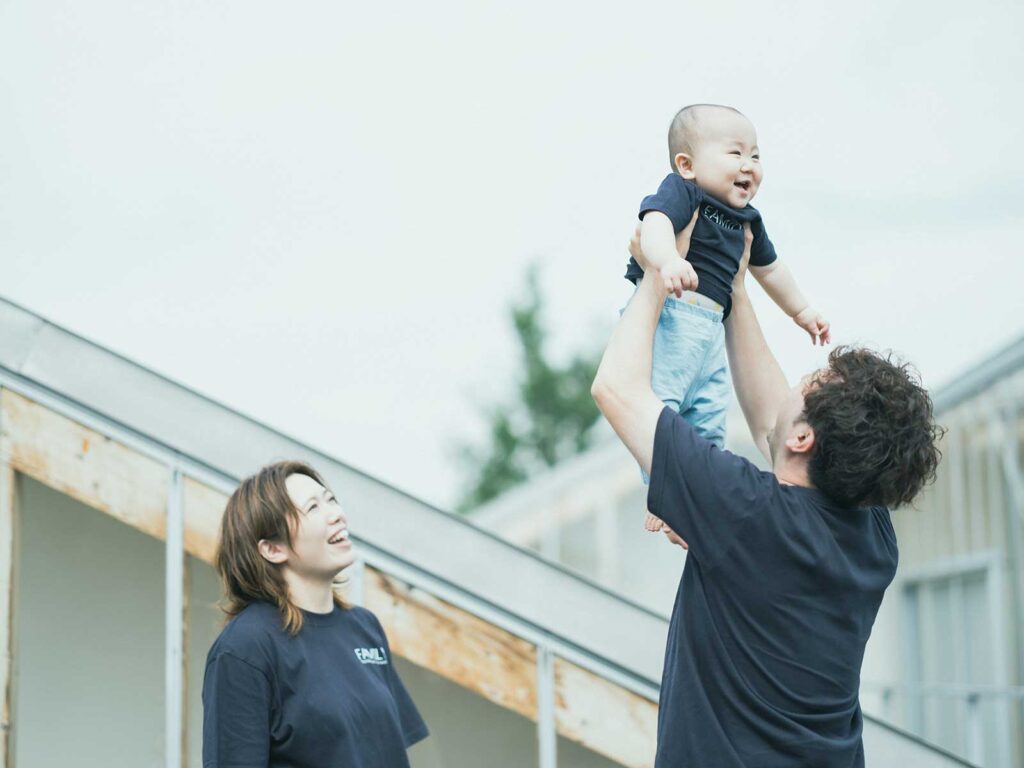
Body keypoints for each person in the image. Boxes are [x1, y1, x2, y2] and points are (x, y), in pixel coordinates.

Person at [592, 225, 942, 766]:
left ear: (806, 438)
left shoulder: (749, 512)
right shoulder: (872, 534)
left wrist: (655, 279)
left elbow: (616, 387)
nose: (796, 383)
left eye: (811, 378)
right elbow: (774, 422)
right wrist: (734, 287)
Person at [625, 104, 830, 534]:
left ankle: (692, 506)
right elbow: (655, 225)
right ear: (687, 165)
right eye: (735, 153)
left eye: (755, 156)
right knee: (659, 408)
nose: (749, 166)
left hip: (711, 330)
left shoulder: (748, 220)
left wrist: (802, 310)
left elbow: (770, 270)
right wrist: (664, 262)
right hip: (673, 318)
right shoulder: (683, 194)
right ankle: (662, 495)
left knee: (708, 419)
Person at [202, 460, 428, 767]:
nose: (337, 514)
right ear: (272, 549)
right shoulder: (245, 647)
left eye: (331, 500)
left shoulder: (365, 627)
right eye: (313, 508)